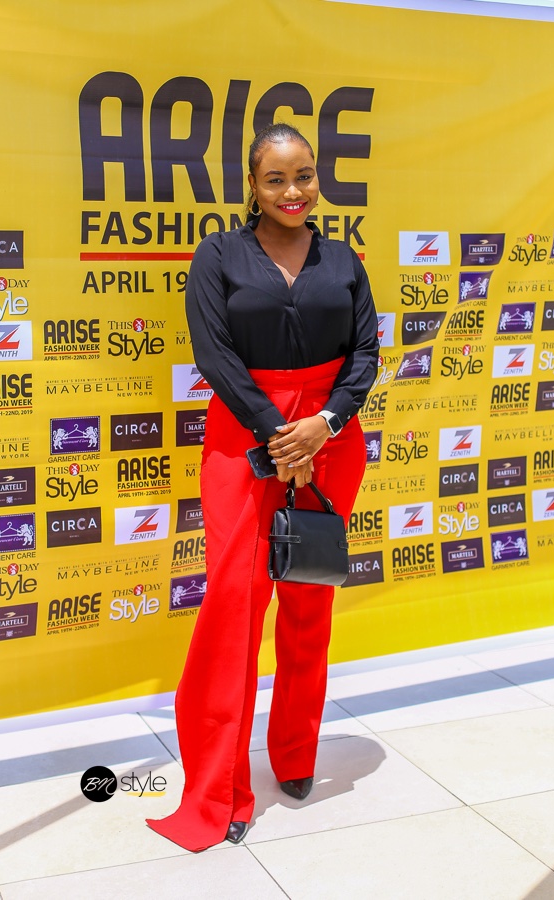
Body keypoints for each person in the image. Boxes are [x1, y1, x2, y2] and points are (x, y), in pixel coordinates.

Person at [147, 123, 379, 852]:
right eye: (275, 178)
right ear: (252, 185)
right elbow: (213, 353)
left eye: (303, 175)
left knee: (309, 601)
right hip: (244, 442)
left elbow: (365, 353)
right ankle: (220, 787)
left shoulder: (343, 258)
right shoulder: (218, 254)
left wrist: (324, 424)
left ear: (318, 179)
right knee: (233, 611)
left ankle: (296, 756)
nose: (292, 190)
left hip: (330, 441)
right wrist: (280, 437)